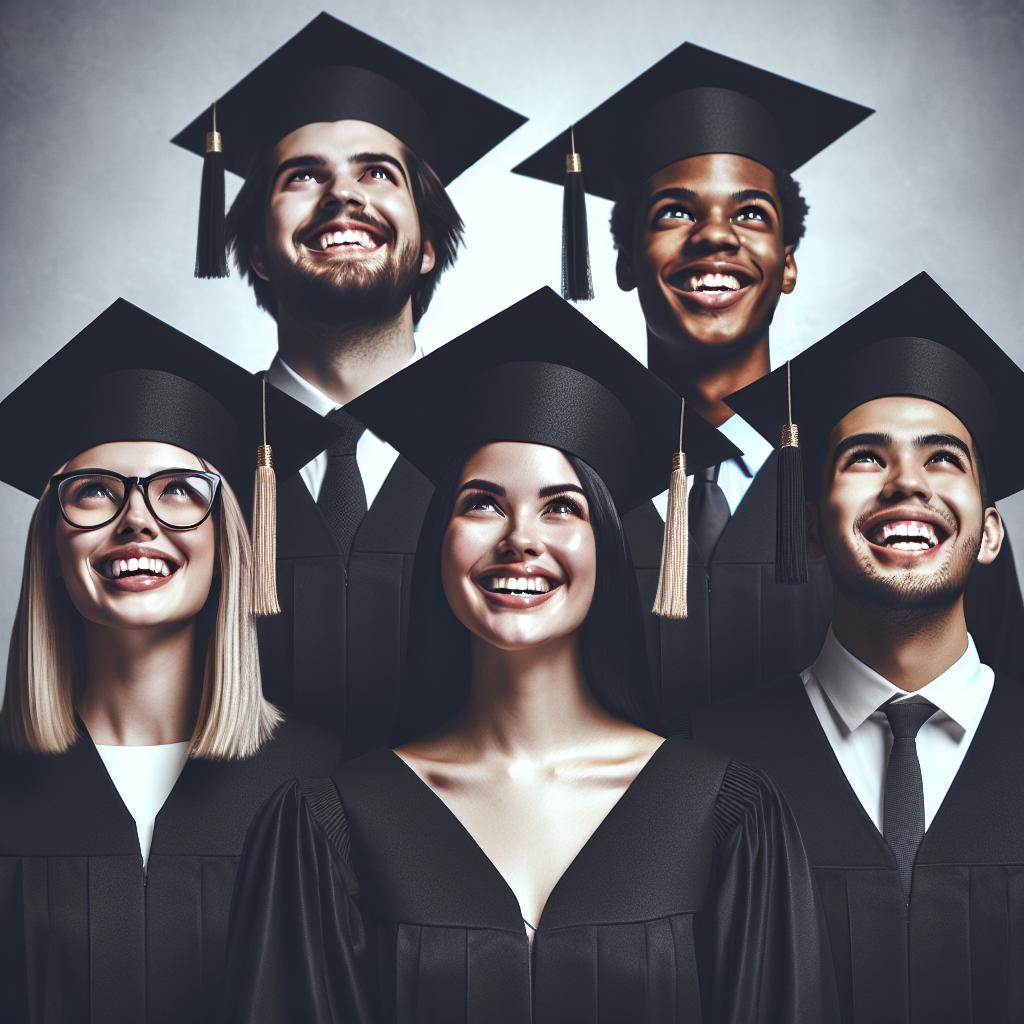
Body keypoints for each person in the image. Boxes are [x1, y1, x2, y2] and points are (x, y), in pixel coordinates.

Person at [221, 288, 838, 1023]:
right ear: (439, 545)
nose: (520, 538)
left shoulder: (726, 815)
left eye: (561, 506)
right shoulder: (334, 824)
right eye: (481, 503)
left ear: (608, 544)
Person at [514, 44, 1024, 726]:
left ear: (788, 265)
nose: (715, 239)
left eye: (750, 214)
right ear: (627, 261)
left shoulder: (890, 498)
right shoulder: (559, 483)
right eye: (674, 213)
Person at [171, 14, 526, 752]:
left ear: (426, 246)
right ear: (260, 253)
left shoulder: (518, 451)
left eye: (377, 172)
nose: (341, 197)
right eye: (303, 176)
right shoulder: (179, 464)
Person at [692, 273, 1024, 1023]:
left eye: (944, 458)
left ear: (992, 530)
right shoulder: (713, 769)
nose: (908, 484)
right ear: (810, 528)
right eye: (865, 458)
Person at [0, 300, 342, 1024]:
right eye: (94, 490)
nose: (137, 520)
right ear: (50, 541)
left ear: (228, 540)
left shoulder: (325, 786)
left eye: (179, 491)